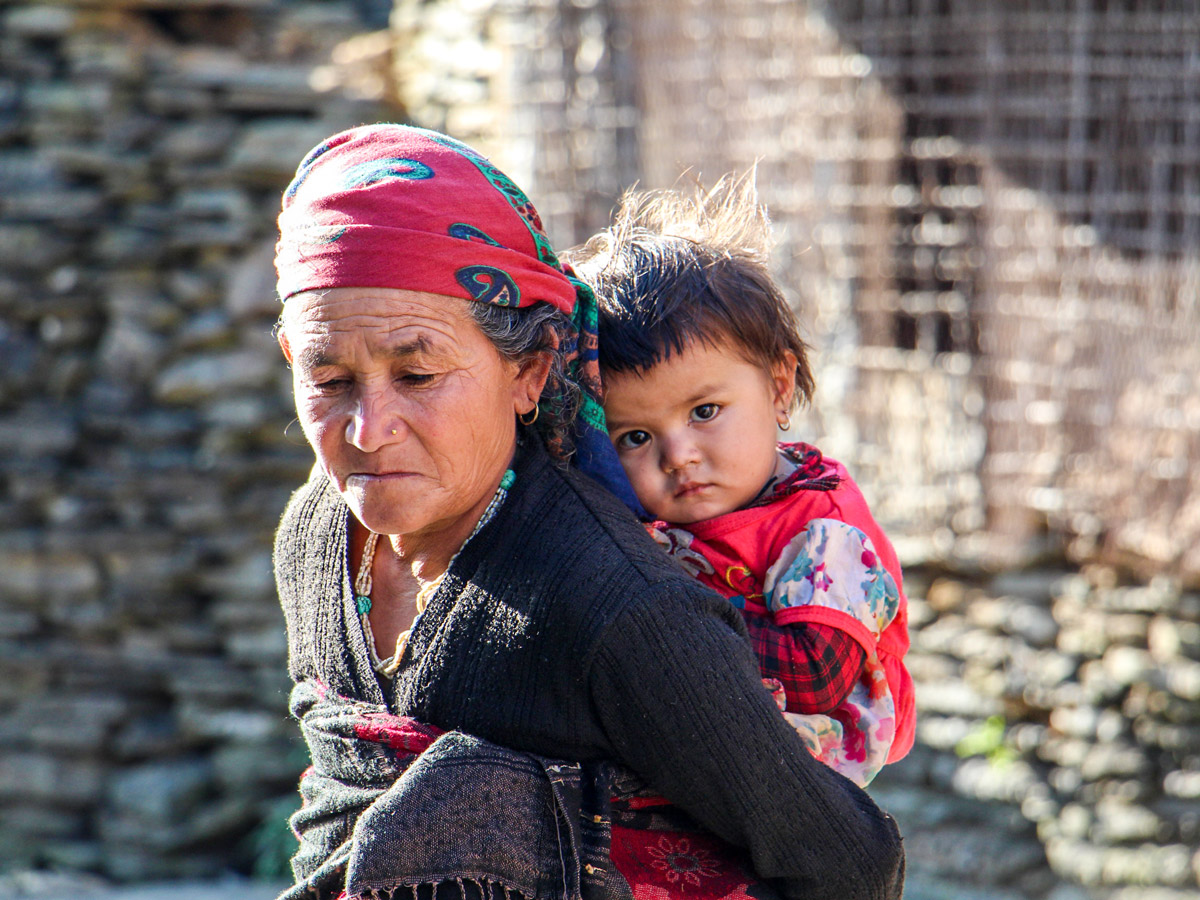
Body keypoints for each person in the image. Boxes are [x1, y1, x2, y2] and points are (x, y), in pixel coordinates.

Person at [272, 123, 905, 900]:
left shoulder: (618, 608)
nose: (368, 431)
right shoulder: (315, 534)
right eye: (329, 379)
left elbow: (849, 861)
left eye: (419, 372)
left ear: (530, 373)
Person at [568, 176, 914, 788]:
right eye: (635, 438)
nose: (678, 456)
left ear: (779, 388)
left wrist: (664, 616)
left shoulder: (822, 531)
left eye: (704, 413)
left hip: (804, 766)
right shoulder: (649, 516)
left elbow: (813, 674)